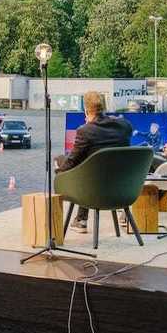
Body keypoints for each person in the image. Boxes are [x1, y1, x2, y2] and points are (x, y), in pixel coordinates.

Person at [55, 91, 133, 233]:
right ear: (104, 107)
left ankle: (81, 220)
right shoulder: (125, 126)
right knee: (90, 164)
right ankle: (81, 219)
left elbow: (72, 161)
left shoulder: (85, 131)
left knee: (63, 160)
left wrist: (58, 173)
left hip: (92, 191)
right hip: (122, 190)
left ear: (86, 110)